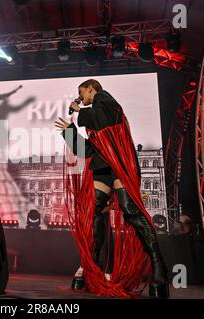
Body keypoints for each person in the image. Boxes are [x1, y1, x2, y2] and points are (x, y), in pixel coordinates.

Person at [55, 79, 169, 298]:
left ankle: (159, 266)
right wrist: (69, 132)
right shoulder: (94, 115)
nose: (81, 97)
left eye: (82, 93)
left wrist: (80, 110)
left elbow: (101, 120)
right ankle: (93, 267)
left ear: (91, 89)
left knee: (130, 211)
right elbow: (88, 150)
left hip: (120, 163)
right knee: (94, 209)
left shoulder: (105, 101)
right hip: (103, 165)